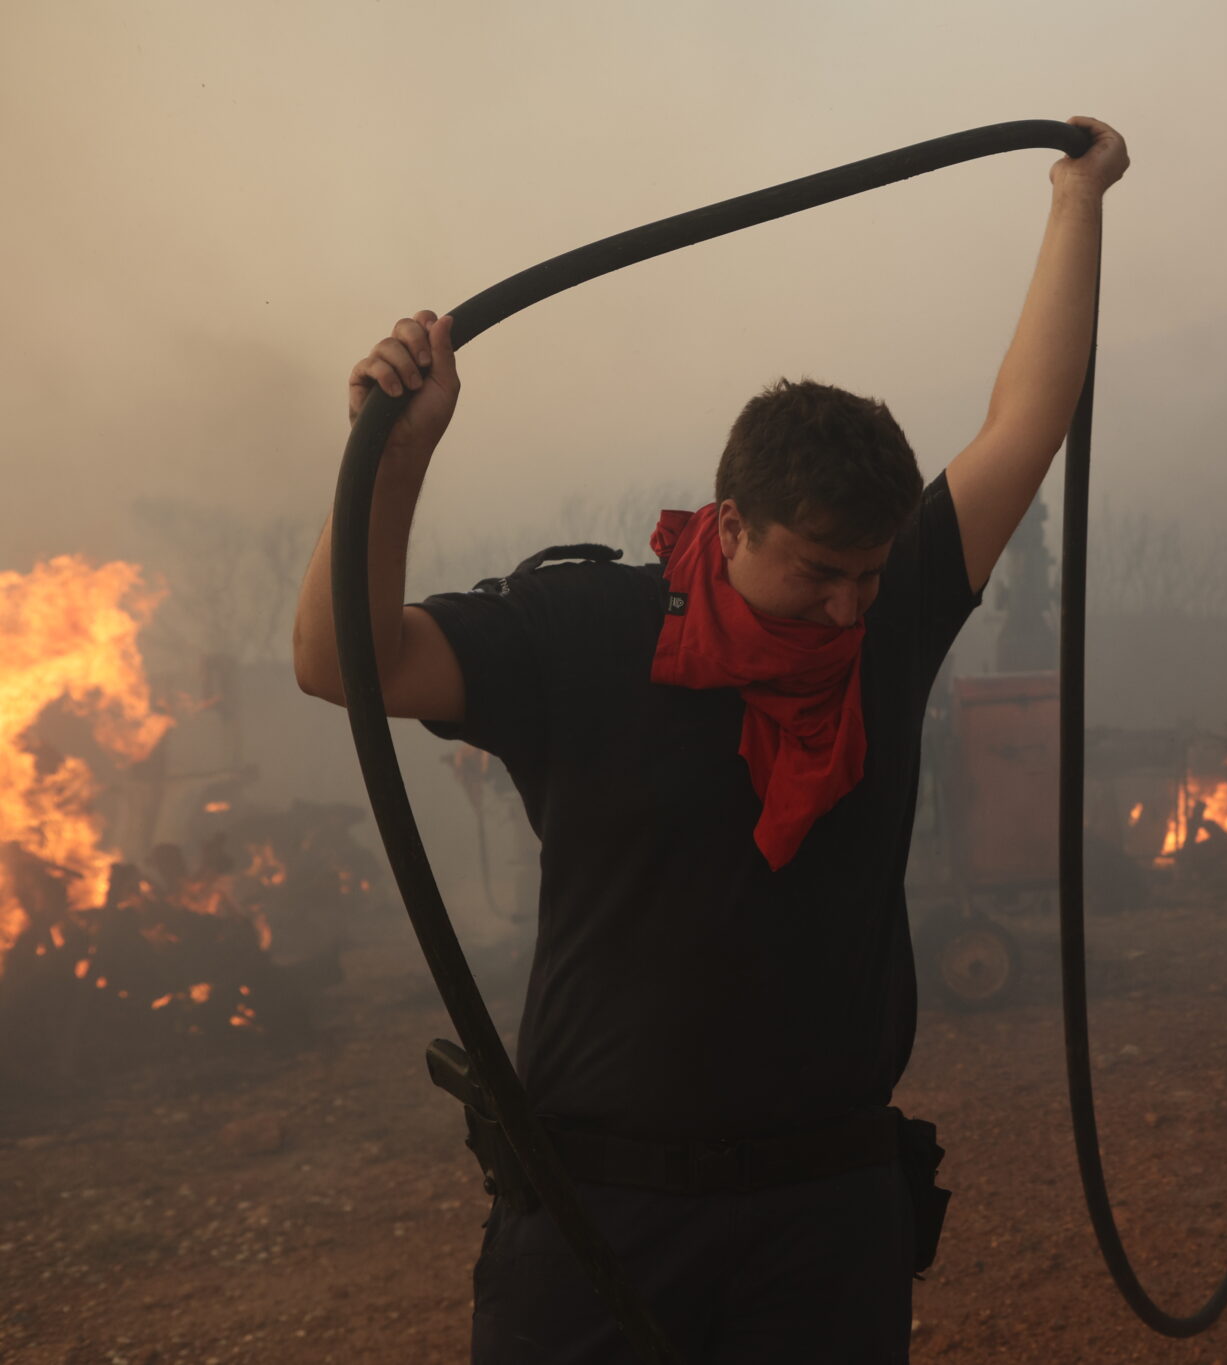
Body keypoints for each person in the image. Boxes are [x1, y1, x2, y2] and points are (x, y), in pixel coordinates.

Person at [292, 117, 1128, 1363]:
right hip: (599, 1207)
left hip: (824, 1206)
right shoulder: (582, 630)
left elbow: (1026, 420)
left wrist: (1078, 197)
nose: (848, 606)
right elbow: (338, 662)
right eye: (819, 572)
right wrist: (397, 463)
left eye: (869, 573)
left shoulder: (885, 622)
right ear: (732, 523)